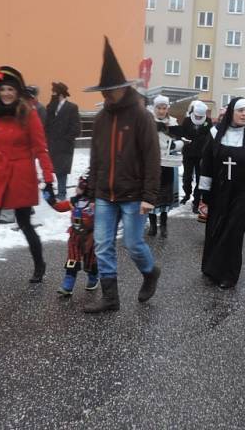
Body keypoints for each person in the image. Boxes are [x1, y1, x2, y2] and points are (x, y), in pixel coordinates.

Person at [83, 37, 162, 313]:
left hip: (133, 194)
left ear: (121, 88)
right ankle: (111, 298)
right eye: (103, 91)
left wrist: (149, 196)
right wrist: (92, 191)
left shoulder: (141, 117)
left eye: (110, 90)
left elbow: (153, 158)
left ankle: (150, 271)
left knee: (132, 243)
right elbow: (96, 157)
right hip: (106, 193)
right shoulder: (101, 119)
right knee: (103, 245)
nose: (106, 96)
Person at [0, 66, 55, 293]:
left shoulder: (29, 114)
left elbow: (41, 148)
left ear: (17, 92)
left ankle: (39, 264)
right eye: (2, 90)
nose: (6, 93)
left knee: (25, 224)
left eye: (10, 89)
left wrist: (48, 178)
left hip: (20, 176)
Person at [199, 97, 245, 289]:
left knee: (234, 232)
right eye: (240, 110)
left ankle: (229, 274)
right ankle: (211, 269)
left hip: (243, 193)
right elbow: (207, 164)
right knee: (216, 228)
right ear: (231, 112)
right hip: (219, 191)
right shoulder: (215, 133)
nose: (244, 114)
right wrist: (204, 190)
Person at [46, 175, 100, 295]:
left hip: (91, 237)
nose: (77, 189)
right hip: (75, 236)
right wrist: (48, 194)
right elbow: (58, 207)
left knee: (90, 261)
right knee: (72, 259)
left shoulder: (96, 204)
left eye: (80, 187)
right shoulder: (73, 202)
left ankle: (93, 277)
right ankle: (68, 285)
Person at [149, 94, 183, 237]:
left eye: (164, 108)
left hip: (168, 164)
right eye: (159, 108)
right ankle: (152, 225)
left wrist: (176, 145)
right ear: (154, 108)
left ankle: (163, 224)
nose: (161, 111)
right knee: (151, 194)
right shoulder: (148, 122)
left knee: (165, 195)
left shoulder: (173, 123)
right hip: (152, 164)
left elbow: (181, 140)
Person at [45, 81, 81, 201]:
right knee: (53, 169)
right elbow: (47, 124)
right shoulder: (51, 107)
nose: (52, 94)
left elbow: (76, 128)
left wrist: (65, 139)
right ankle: (54, 191)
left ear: (60, 94)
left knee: (62, 171)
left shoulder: (72, 107)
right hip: (53, 144)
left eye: (54, 92)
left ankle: (61, 193)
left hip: (64, 145)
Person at [180, 100, 212, 214]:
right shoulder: (187, 120)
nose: (198, 118)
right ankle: (187, 193)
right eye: (197, 116)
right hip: (188, 154)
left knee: (200, 179)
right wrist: (183, 140)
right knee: (187, 177)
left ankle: (196, 201)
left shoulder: (208, 122)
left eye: (200, 117)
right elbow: (182, 134)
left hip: (201, 155)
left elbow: (210, 137)